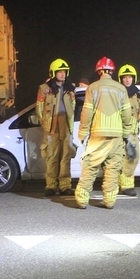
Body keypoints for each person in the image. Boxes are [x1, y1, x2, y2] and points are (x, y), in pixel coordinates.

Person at [74, 57, 132, 210]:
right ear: (112, 71)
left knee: (90, 167)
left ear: (98, 71)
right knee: (113, 169)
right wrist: (127, 133)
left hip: (97, 135)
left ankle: (82, 200)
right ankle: (109, 201)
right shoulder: (121, 89)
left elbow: (86, 113)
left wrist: (82, 134)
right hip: (116, 136)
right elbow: (127, 114)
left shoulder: (92, 88)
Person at [36, 58, 77, 196]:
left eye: (64, 72)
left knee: (66, 155)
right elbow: (39, 108)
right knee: (51, 155)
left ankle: (65, 186)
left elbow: (74, 107)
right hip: (51, 125)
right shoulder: (44, 89)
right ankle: (51, 185)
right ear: (53, 72)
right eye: (59, 72)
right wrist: (44, 123)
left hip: (65, 124)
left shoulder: (70, 89)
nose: (62, 74)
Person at [117, 64, 140, 196]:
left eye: (129, 77)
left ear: (134, 78)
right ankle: (121, 185)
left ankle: (126, 184)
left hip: (133, 132)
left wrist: (137, 131)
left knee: (133, 157)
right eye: (125, 77)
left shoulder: (136, 94)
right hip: (121, 132)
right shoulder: (118, 94)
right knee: (122, 159)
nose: (127, 80)